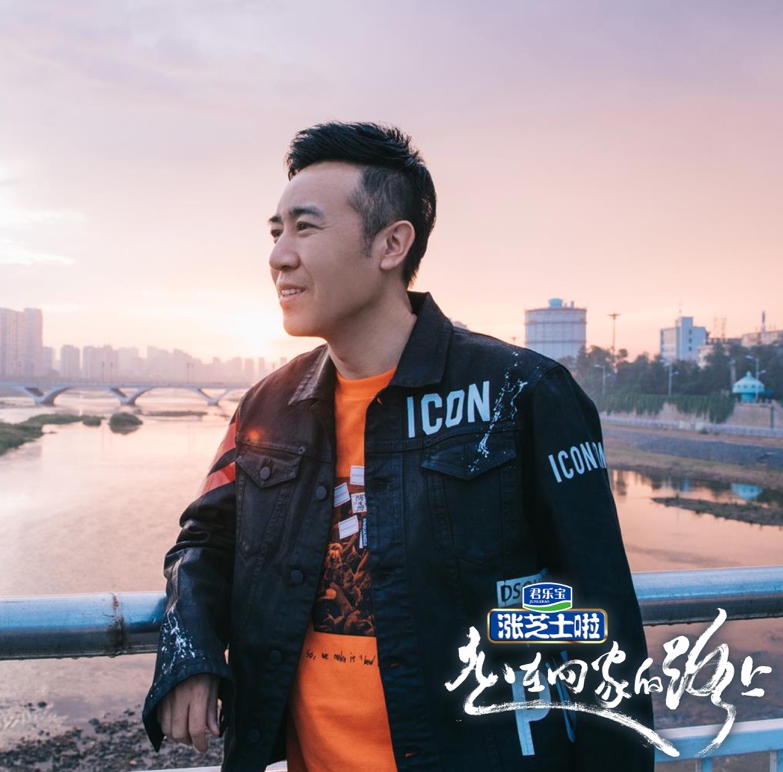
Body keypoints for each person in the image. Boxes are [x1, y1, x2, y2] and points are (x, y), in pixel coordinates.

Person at [141, 122, 655, 771]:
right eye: (275, 232)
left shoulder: (522, 393)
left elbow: (600, 620)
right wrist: (189, 649)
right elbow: (203, 542)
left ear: (391, 244)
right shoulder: (268, 406)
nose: (279, 256)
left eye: (305, 228)